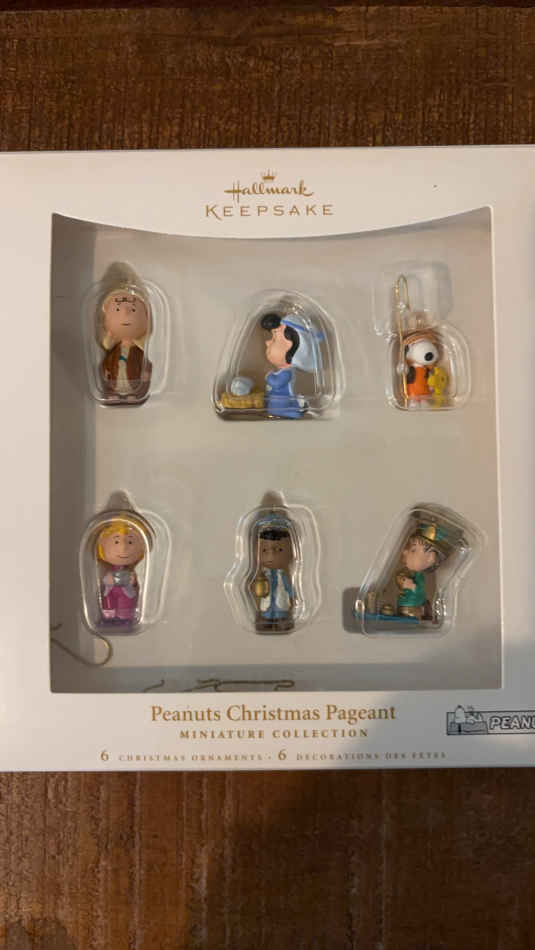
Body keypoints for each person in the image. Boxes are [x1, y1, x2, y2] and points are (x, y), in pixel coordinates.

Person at [260, 311, 323, 418]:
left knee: (278, 404)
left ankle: (283, 411)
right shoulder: (284, 371)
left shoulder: (286, 373)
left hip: (280, 402)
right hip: (278, 400)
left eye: (274, 339)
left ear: (289, 345)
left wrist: (269, 377)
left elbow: (277, 383)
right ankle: (289, 410)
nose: (267, 342)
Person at [98, 286, 152, 403]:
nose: (126, 313)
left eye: (133, 310)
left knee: (131, 382)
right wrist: (106, 369)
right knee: (116, 380)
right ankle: (114, 393)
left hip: (134, 381)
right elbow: (107, 361)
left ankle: (132, 394)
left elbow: (145, 363)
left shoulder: (138, 351)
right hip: (115, 380)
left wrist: (146, 373)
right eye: (117, 310)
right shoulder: (114, 351)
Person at [96, 517, 147, 625]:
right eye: (116, 541)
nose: (123, 547)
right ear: (103, 543)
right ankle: (108, 617)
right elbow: (106, 581)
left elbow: (134, 584)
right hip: (110, 591)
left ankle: (125, 617)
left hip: (126, 592)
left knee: (126, 603)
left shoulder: (131, 572)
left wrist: (132, 581)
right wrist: (108, 580)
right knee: (108, 602)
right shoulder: (109, 571)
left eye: (130, 542)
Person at [252, 513, 295, 632]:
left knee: (281, 609)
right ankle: (266, 620)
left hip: (281, 605)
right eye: (265, 550)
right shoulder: (262, 575)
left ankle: (281, 620)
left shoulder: (283, 575)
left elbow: (288, 587)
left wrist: (292, 596)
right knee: (265, 609)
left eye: (279, 550)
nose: (271, 555)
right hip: (266, 606)